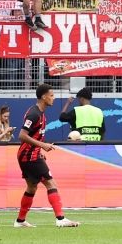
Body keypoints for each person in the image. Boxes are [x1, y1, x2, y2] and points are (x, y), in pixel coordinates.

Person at [14, 83, 80, 228]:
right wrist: (42, 146)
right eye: (51, 95)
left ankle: (20, 221)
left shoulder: (40, 113)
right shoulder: (34, 114)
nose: (53, 98)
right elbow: (22, 135)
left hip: (30, 155)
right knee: (51, 183)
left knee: (31, 187)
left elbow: (34, 136)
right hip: (28, 156)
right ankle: (60, 218)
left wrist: (39, 151)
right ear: (43, 97)